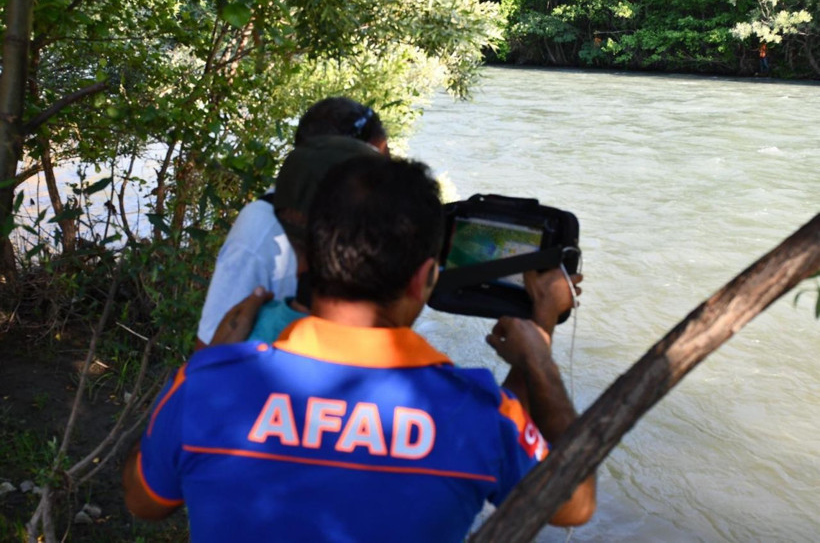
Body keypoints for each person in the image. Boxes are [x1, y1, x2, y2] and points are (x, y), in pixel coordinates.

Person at [123, 157, 596, 541]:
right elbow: (573, 504)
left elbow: (144, 502)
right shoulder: (478, 413)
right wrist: (538, 350)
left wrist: (208, 361)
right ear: (425, 277)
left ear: (311, 255)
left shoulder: (208, 385)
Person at [195, 97, 389, 350]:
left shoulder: (354, 225)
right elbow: (209, 347)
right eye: (377, 161)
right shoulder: (260, 231)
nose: (388, 174)